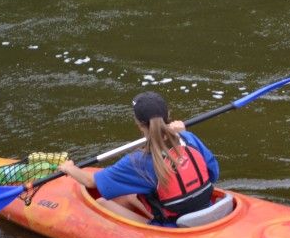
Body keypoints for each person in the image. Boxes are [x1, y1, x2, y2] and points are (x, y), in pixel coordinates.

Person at [57, 92, 219, 226]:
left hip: (173, 227)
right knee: (130, 196)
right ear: (168, 115)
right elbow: (213, 174)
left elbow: (91, 182)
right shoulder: (188, 138)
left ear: (139, 124)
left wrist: (69, 168)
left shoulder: (139, 162)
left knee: (100, 203)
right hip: (207, 211)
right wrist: (182, 132)